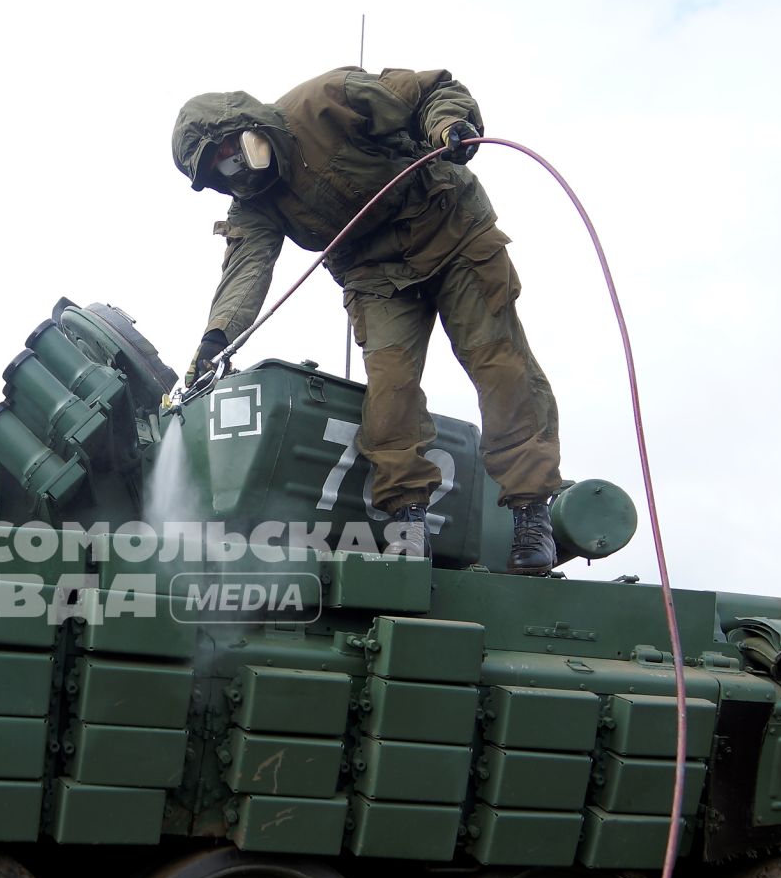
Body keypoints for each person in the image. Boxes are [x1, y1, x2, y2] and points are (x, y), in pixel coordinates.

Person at [171, 66, 561, 574]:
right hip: (376, 274)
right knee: (390, 390)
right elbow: (246, 272)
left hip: (452, 229)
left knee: (499, 364)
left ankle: (530, 511)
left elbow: (432, 90)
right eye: (219, 169)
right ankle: (408, 521)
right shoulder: (254, 206)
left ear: (246, 125)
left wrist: (448, 127)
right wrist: (217, 338)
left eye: (229, 151)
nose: (235, 170)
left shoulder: (331, 99)